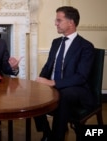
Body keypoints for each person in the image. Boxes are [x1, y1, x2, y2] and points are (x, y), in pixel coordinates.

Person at [34, 6, 95, 141]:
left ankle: (57, 137)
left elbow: (81, 76)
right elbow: (48, 66)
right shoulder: (56, 42)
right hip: (55, 86)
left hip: (77, 89)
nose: (55, 23)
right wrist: (40, 80)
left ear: (71, 22)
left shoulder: (85, 46)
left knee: (63, 95)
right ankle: (46, 132)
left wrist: (53, 83)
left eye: (58, 20)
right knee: (33, 92)